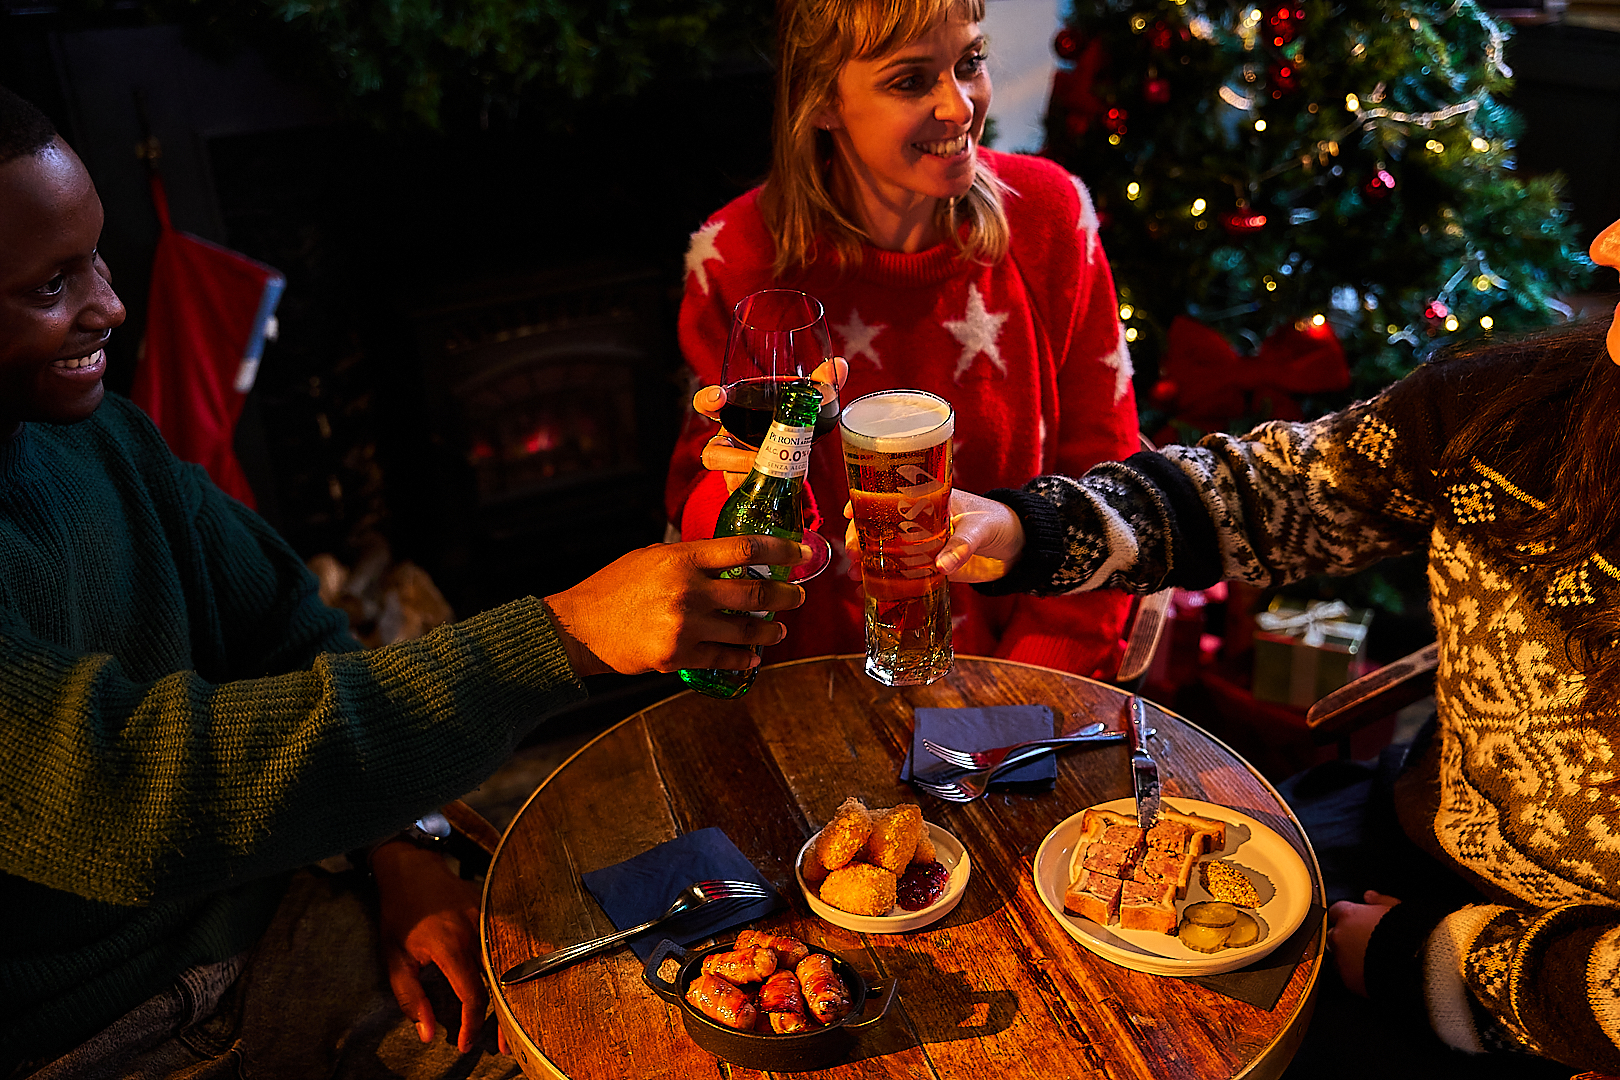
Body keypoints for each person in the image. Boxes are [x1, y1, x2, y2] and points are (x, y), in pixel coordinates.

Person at [0, 85, 808, 1079]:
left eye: (96, 256)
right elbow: (141, 799)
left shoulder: (106, 440)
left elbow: (290, 628)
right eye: (52, 284)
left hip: (279, 915)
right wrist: (562, 635)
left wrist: (402, 843)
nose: (110, 306)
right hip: (101, 1037)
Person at [928, 217, 1620, 1076]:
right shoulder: (1517, 406)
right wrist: (1031, 528)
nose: (1606, 246)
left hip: (1545, 985)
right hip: (1417, 827)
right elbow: (1280, 490)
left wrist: (1432, 968)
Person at [666, 0, 1139, 679]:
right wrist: (738, 493)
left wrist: (1025, 690)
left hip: (1018, 683)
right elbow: (699, 532)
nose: (960, 105)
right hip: (807, 684)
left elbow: (1108, 498)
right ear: (822, 101)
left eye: (970, 63)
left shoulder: (1051, 220)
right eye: (911, 80)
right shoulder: (737, 259)